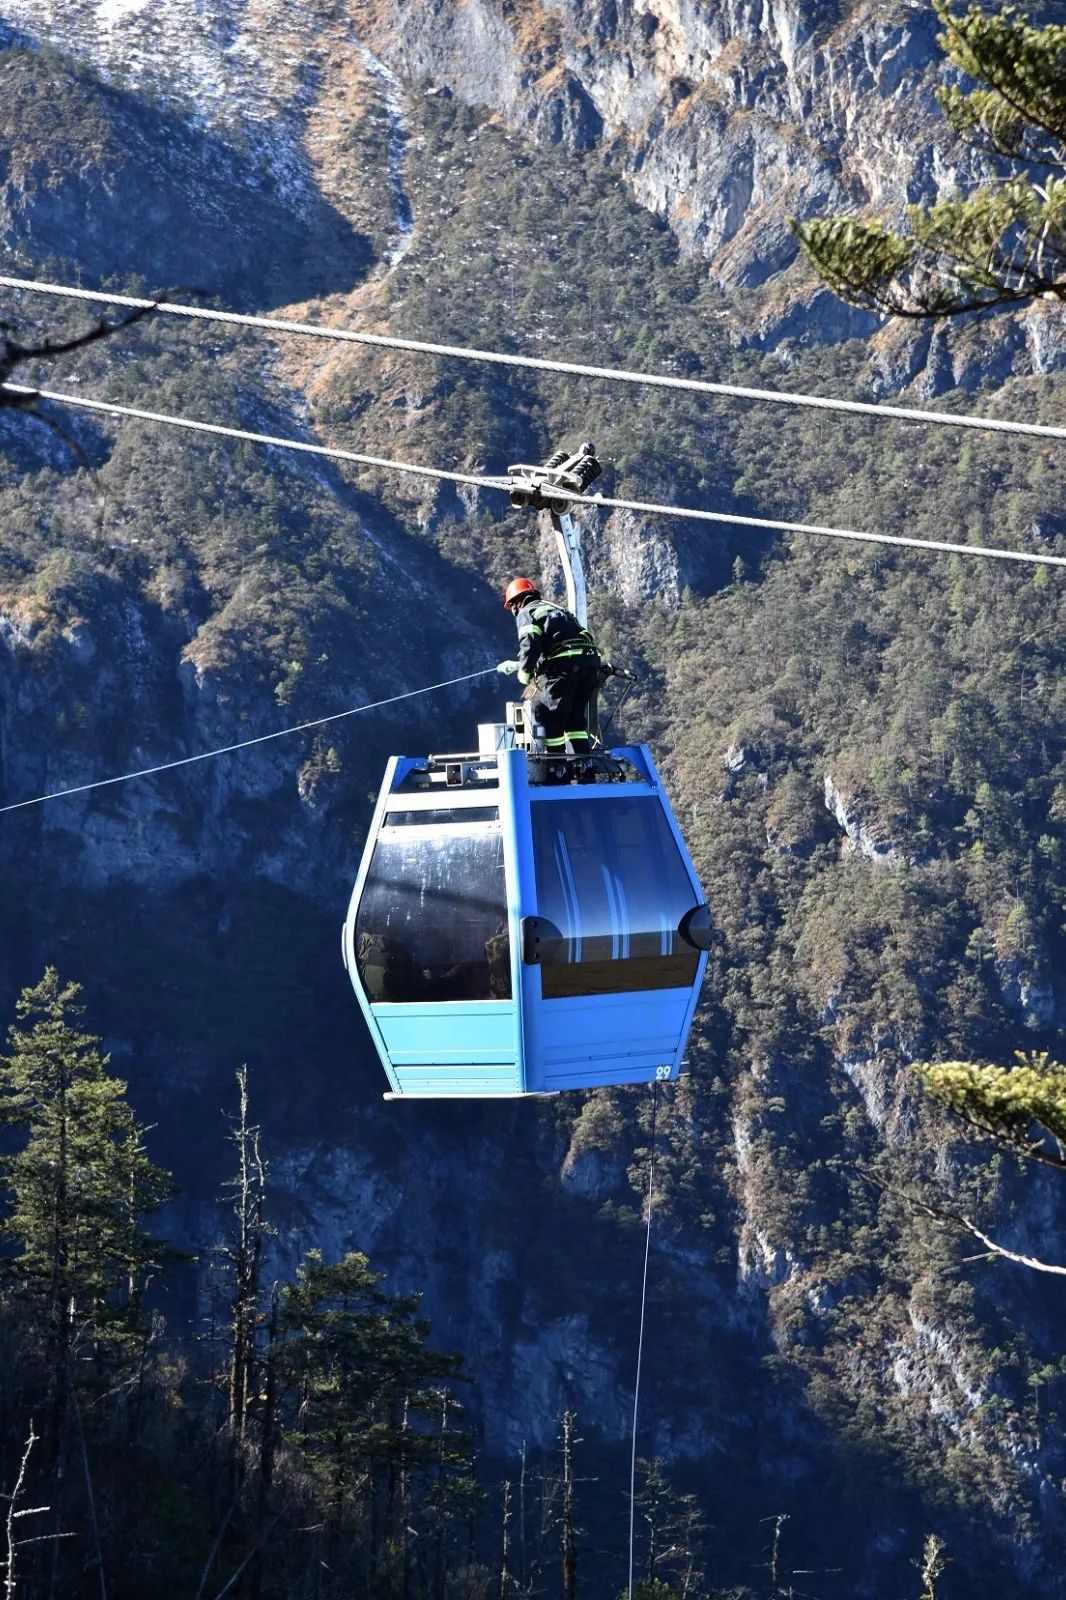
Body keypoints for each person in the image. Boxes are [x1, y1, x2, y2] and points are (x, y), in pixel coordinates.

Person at [497, 577, 602, 758]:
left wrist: (524, 672)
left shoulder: (527, 612)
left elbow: (529, 645)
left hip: (565, 668)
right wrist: (517, 665)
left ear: (515, 603)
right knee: (574, 720)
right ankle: (584, 768)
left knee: (550, 716)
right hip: (590, 664)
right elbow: (559, 646)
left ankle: (557, 768)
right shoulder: (556, 610)